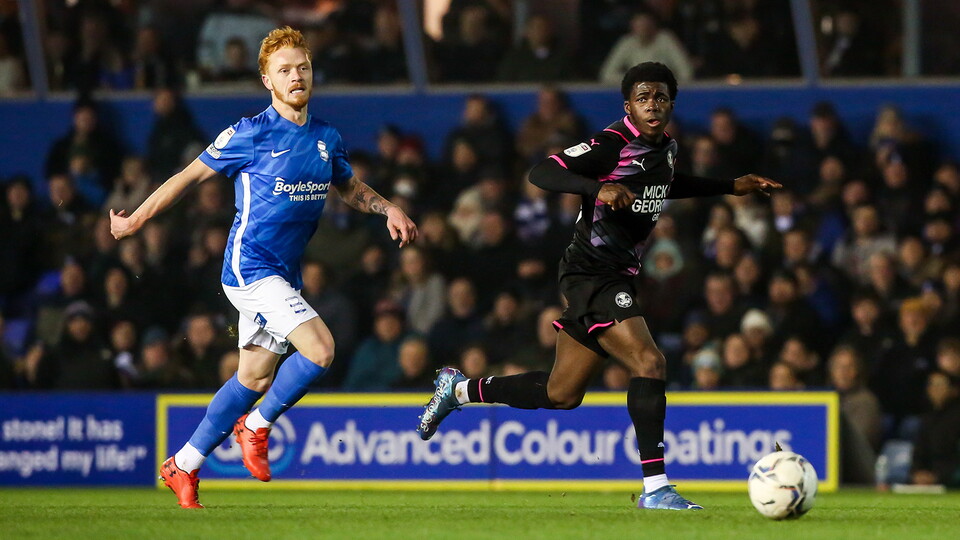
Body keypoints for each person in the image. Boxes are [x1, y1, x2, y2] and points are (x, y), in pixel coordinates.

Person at [417, 62, 780, 510]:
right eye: (644, 97)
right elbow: (542, 171)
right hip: (591, 272)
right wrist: (597, 188)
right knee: (650, 361)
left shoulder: (665, 147)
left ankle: (459, 390)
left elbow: (667, 183)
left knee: (561, 394)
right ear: (628, 105)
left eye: (661, 97)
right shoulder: (612, 143)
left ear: (671, 105)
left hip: (614, 273)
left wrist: (731, 186)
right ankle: (656, 489)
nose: (653, 104)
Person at [108, 27, 417, 509]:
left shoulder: (326, 138)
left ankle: (183, 464)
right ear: (267, 80)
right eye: (285, 70)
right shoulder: (249, 133)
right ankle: (255, 425)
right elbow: (189, 176)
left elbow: (350, 189)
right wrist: (137, 220)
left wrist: (389, 209)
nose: (297, 77)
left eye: (304, 67)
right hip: (250, 268)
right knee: (320, 350)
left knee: (252, 379)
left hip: (283, 274)